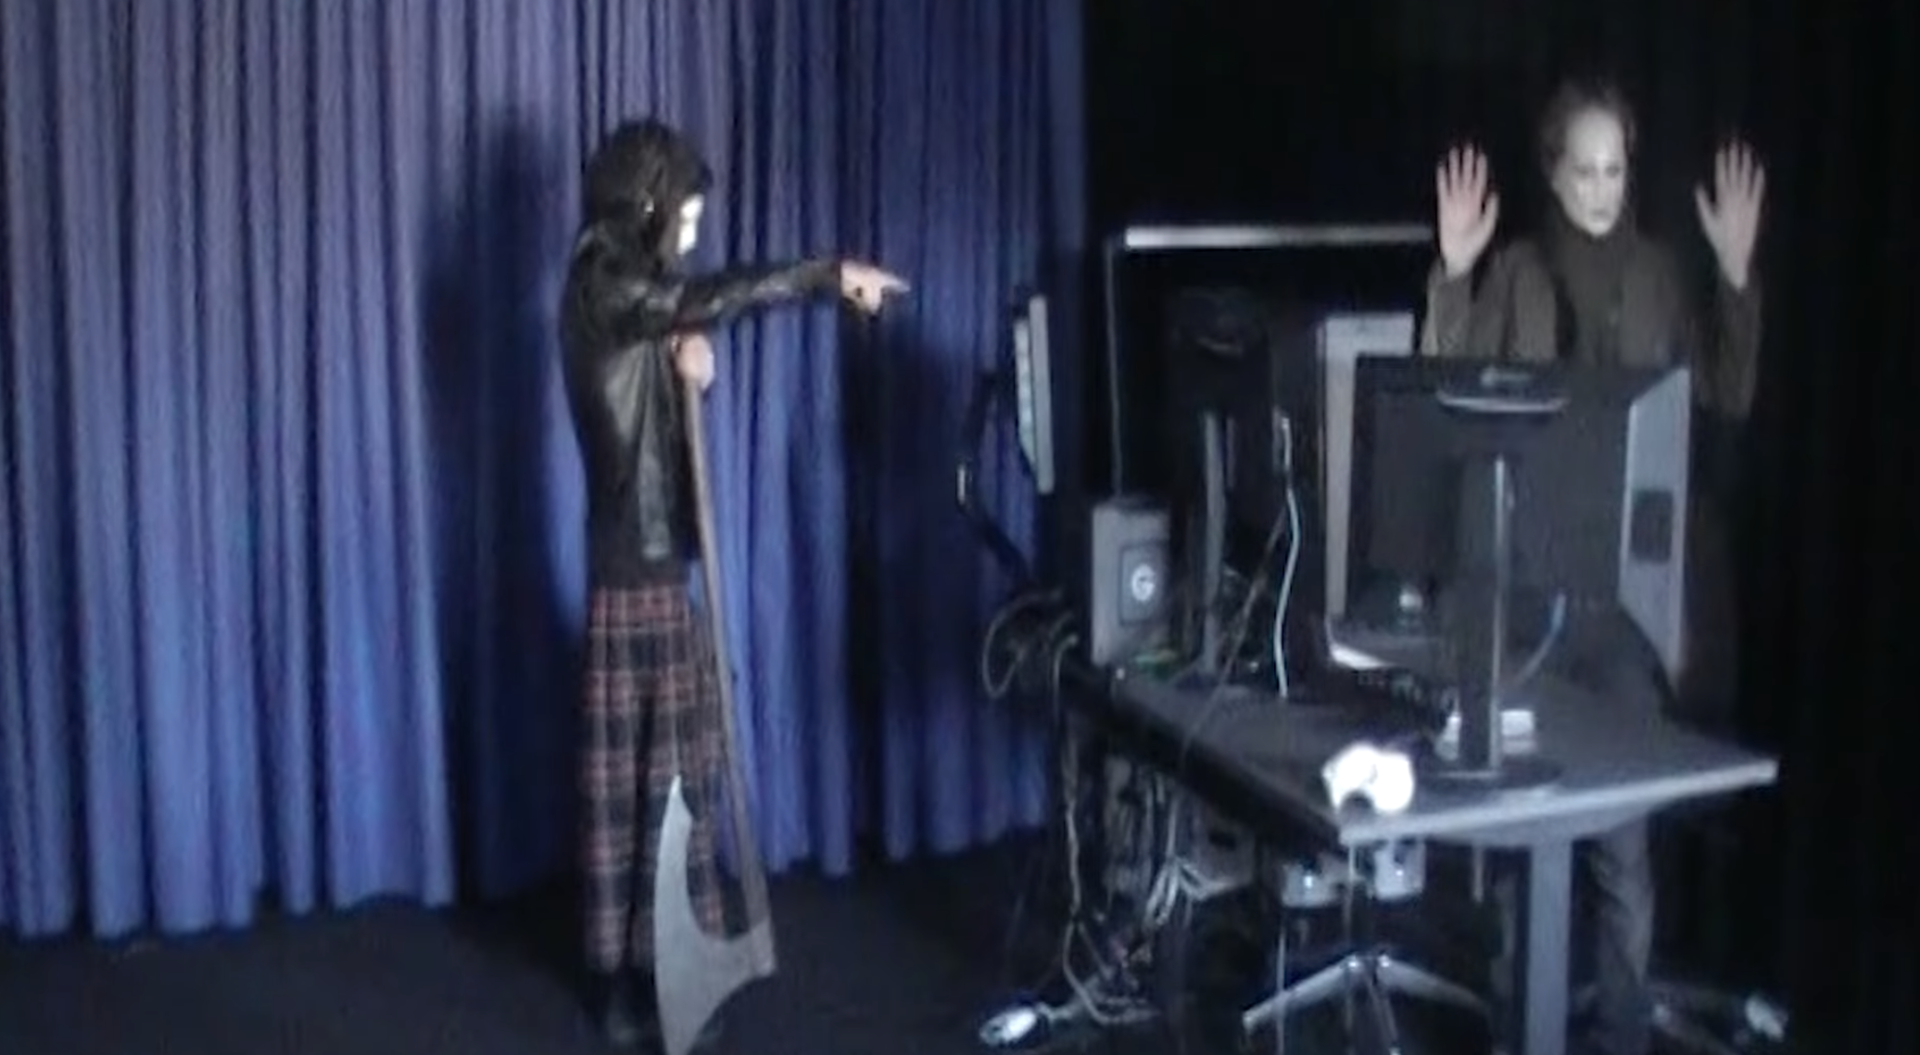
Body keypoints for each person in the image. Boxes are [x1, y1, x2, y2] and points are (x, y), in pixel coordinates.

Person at [1417, 79, 1767, 1055]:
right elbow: (1443, 385)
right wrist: (1454, 273)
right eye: (1585, 169)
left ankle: (1619, 1033)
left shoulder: (1658, 275)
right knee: (1523, 835)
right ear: (1554, 171)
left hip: (1621, 610)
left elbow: (1729, 392)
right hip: (1524, 599)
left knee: (1621, 845)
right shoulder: (1519, 271)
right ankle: (1515, 1027)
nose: (1603, 187)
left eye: (1616, 169)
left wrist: (1736, 275)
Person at [558, 117, 907, 1051]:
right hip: (633, 570)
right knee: (648, 786)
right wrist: (826, 276)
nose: (692, 229)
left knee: (665, 781)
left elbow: (658, 365)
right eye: (683, 211)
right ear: (646, 203)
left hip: (651, 566)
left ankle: (655, 973)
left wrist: (691, 375)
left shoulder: (630, 291)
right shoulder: (604, 281)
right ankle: (631, 983)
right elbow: (697, 299)